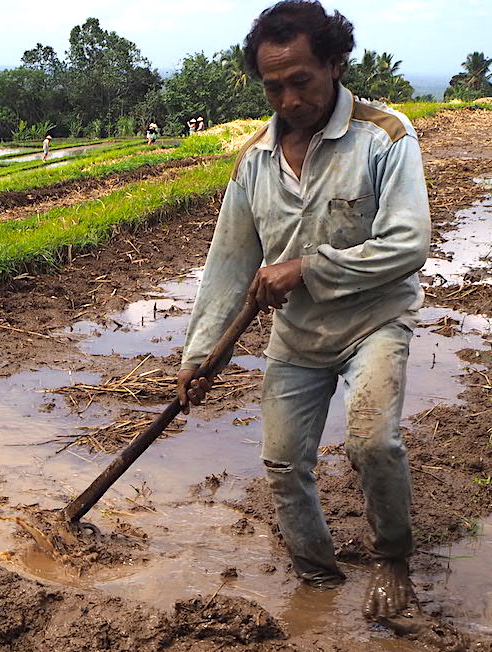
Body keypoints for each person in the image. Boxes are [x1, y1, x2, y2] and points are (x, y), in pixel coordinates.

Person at [176, 0, 431, 620]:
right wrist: (200, 355)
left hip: (372, 321)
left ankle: (392, 556)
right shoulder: (254, 160)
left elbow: (408, 243)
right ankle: (315, 581)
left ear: (335, 64)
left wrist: (308, 265)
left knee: (372, 443)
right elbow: (230, 265)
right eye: (273, 87)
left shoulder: (384, 137)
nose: (288, 100)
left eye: (301, 81)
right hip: (296, 338)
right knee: (284, 463)